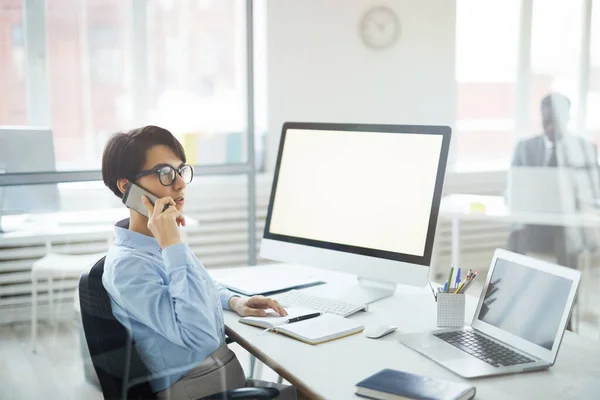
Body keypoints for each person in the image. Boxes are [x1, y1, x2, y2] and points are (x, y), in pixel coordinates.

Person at [101, 126, 296, 399]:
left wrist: (234, 301)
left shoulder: (157, 243)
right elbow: (199, 335)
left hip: (219, 382)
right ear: (127, 187)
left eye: (181, 171)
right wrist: (172, 244)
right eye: (165, 173)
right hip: (196, 391)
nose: (180, 183)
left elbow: (192, 291)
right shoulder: (128, 266)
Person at [508, 93, 600, 268]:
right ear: (541, 117)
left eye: (556, 121)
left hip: (568, 223)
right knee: (517, 233)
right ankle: (514, 290)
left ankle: (571, 294)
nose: (551, 127)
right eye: (547, 121)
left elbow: (594, 190)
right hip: (534, 221)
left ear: (567, 119)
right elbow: (512, 190)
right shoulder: (525, 148)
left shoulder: (584, 149)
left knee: (567, 237)